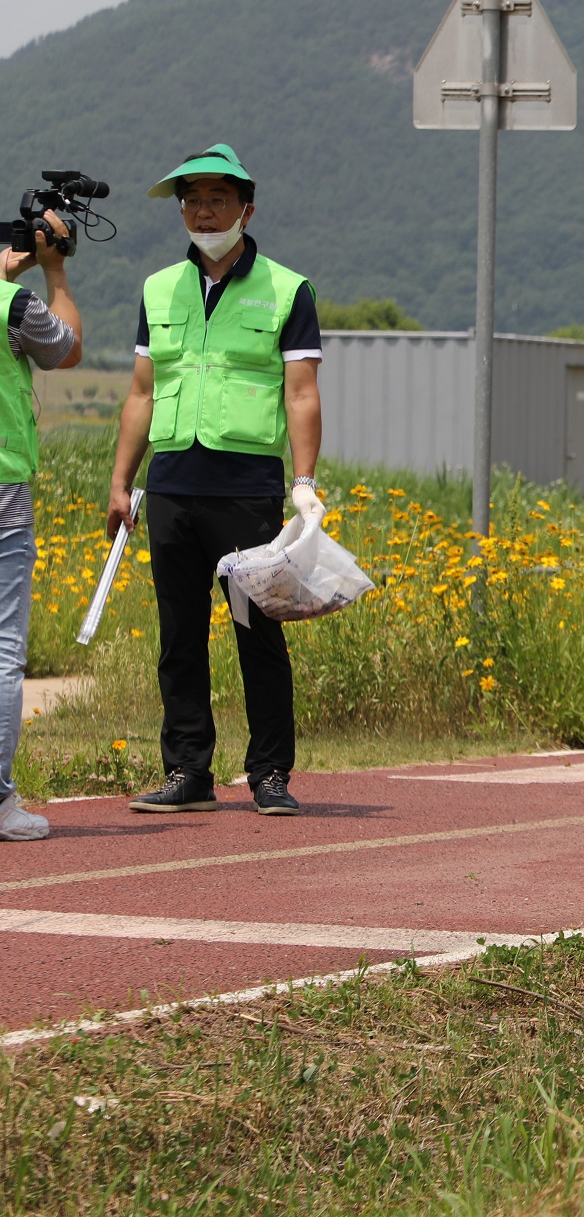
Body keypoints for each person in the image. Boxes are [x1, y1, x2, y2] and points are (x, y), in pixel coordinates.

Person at [106, 145, 325, 817]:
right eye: (193, 199)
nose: (204, 210)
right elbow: (142, 392)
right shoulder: (158, 288)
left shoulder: (287, 289)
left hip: (245, 485)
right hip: (172, 484)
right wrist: (121, 481)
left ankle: (268, 773)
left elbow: (301, 392)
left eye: (218, 199)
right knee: (178, 634)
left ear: (246, 208)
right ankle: (187, 769)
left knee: (256, 628)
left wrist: (305, 482)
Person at [0, 214, 84, 842]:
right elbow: (66, 349)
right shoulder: (15, 304)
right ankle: (1, 802)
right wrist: (53, 268)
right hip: (3, 487)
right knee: (3, 649)